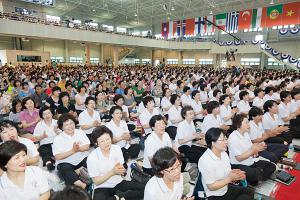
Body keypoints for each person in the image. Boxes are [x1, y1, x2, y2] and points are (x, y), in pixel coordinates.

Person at [87, 126, 145, 200]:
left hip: (118, 182)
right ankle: (119, 197)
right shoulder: (92, 157)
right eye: (102, 141)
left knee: (145, 188)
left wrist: (122, 171)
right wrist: (112, 172)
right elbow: (97, 182)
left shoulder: (117, 149)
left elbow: (122, 171)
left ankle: (120, 197)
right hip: (102, 186)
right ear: (96, 143)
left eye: (108, 139)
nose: (106, 143)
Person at [198, 128, 254, 200]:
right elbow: (211, 187)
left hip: (224, 189)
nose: (226, 142)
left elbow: (227, 171)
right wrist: (230, 178)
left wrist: (235, 173)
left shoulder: (223, 153)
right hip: (213, 195)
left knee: (249, 192)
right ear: (213, 143)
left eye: (225, 139)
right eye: (223, 140)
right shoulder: (205, 160)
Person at [228, 114, 276, 185]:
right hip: (238, 164)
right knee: (255, 173)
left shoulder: (246, 134)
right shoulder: (233, 138)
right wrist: (253, 151)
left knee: (272, 166)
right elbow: (239, 158)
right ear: (239, 125)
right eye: (246, 122)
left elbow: (251, 148)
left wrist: (257, 148)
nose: (249, 124)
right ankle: (256, 177)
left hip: (250, 160)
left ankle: (256, 179)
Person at [52, 113, 90, 189]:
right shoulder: (57, 139)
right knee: (64, 169)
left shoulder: (80, 132)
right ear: (62, 127)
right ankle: (83, 185)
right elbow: (58, 156)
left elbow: (87, 146)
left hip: (81, 160)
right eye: (66, 125)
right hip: (66, 163)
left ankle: (76, 176)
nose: (70, 126)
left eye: (71, 123)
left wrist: (78, 149)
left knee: (91, 161)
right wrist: (73, 151)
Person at [34, 106, 61, 171]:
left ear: (52, 114)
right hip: (45, 143)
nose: (47, 115)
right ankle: (48, 164)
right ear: (42, 116)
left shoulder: (57, 122)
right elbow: (35, 138)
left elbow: (64, 135)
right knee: (44, 151)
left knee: (59, 150)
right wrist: (42, 136)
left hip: (57, 142)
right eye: (44, 114)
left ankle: (55, 161)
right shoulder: (39, 125)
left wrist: (57, 132)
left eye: (48, 113)